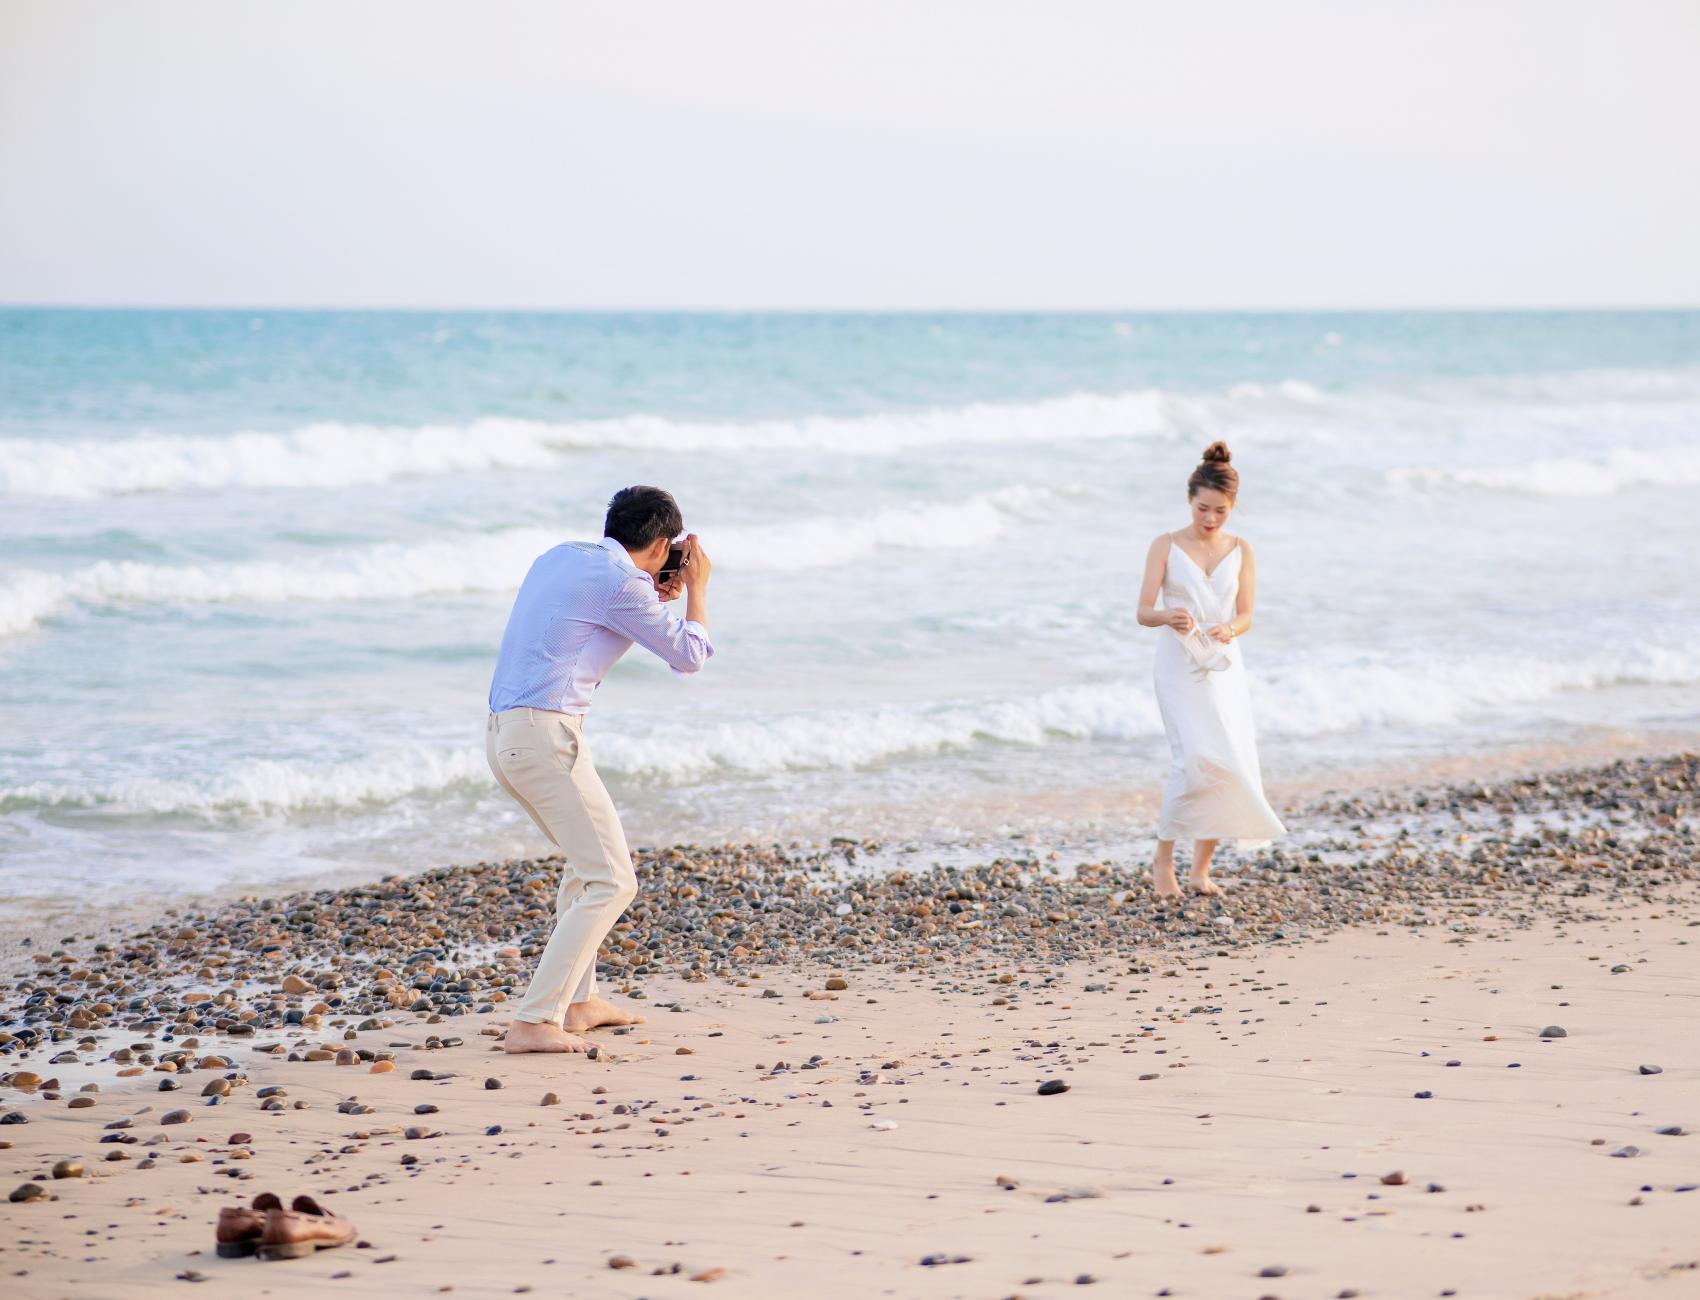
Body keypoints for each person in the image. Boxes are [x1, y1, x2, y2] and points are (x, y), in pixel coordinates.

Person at [485, 486, 713, 1053]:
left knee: (588, 871)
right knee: (613, 880)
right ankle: (534, 1020)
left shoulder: (562, 556)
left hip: (508, 736)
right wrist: (697, 590)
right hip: (545, 737)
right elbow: (688, 656)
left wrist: (652, 590)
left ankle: (578, 1003)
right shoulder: (621, 585)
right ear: (663, 544)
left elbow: (584, 624)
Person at [1136, 441, 1284, 898]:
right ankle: (1163, 862)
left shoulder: (1242, 549)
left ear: (1232, 506)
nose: (1211, 518)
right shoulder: (1165, 544)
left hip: (1223, 664)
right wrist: (1168, 615)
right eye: (1203, 508)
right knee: (1193, 761)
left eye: (1220, 510)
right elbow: (1143, 611)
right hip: (1178, 663)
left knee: (1227, 760)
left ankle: (1201, 870)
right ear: (1189, 500)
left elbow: (1247, 615)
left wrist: (1229, 629)